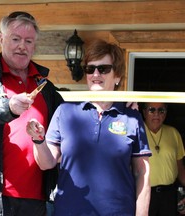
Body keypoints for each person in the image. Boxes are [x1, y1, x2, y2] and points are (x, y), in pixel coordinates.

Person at [26, 39, 152, 215]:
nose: (95, 74)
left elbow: (143, 174)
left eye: (103, 69)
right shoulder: (65, 111)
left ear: (117, 76)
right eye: (90, 69)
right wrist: (38, 140)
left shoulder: (131, 116)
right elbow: (47, 163)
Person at [0, 11, 63, 216]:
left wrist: (120, 103)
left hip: (38, 201)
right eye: (15, 39)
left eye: (28, 41)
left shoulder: (46, 88)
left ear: (34, 45)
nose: (22, 46)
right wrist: (7, 108)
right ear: (2, 39)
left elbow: (71, 116)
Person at [141, 102, 185, 215]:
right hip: (144, 193)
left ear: (165, 113)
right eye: (152, 110)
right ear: (144, 112)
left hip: (169, 194)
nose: (157, 114)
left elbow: (180, 167)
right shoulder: (136, 131)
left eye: (161, 110)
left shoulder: (173, 133)